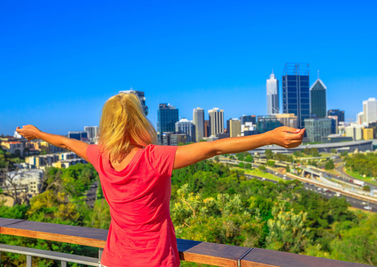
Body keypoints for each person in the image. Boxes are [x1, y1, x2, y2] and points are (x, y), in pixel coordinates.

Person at [16, 92, 305, 267]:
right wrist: (269, 137)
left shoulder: (99, 155)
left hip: (114, 260)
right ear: (138, 121)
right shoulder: (154, 157)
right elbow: (213, 147)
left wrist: (37, 133)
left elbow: (66, 143)